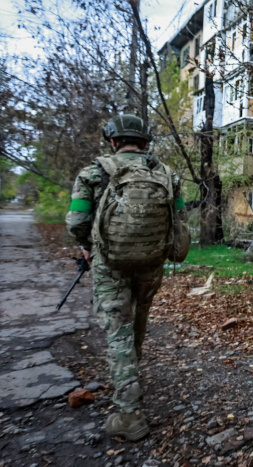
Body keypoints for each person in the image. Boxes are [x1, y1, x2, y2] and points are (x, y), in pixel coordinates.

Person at [66, 114, 187, 441]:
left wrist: (87, 247)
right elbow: (180, 217)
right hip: (151, 262)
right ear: (146, 142)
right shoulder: (167, 173)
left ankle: (129, 413)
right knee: (138, 320)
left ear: (113, 140)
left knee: (118, 328)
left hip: (111, 263)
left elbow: (77, 220)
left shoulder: (93, 172)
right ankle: (131, 377)